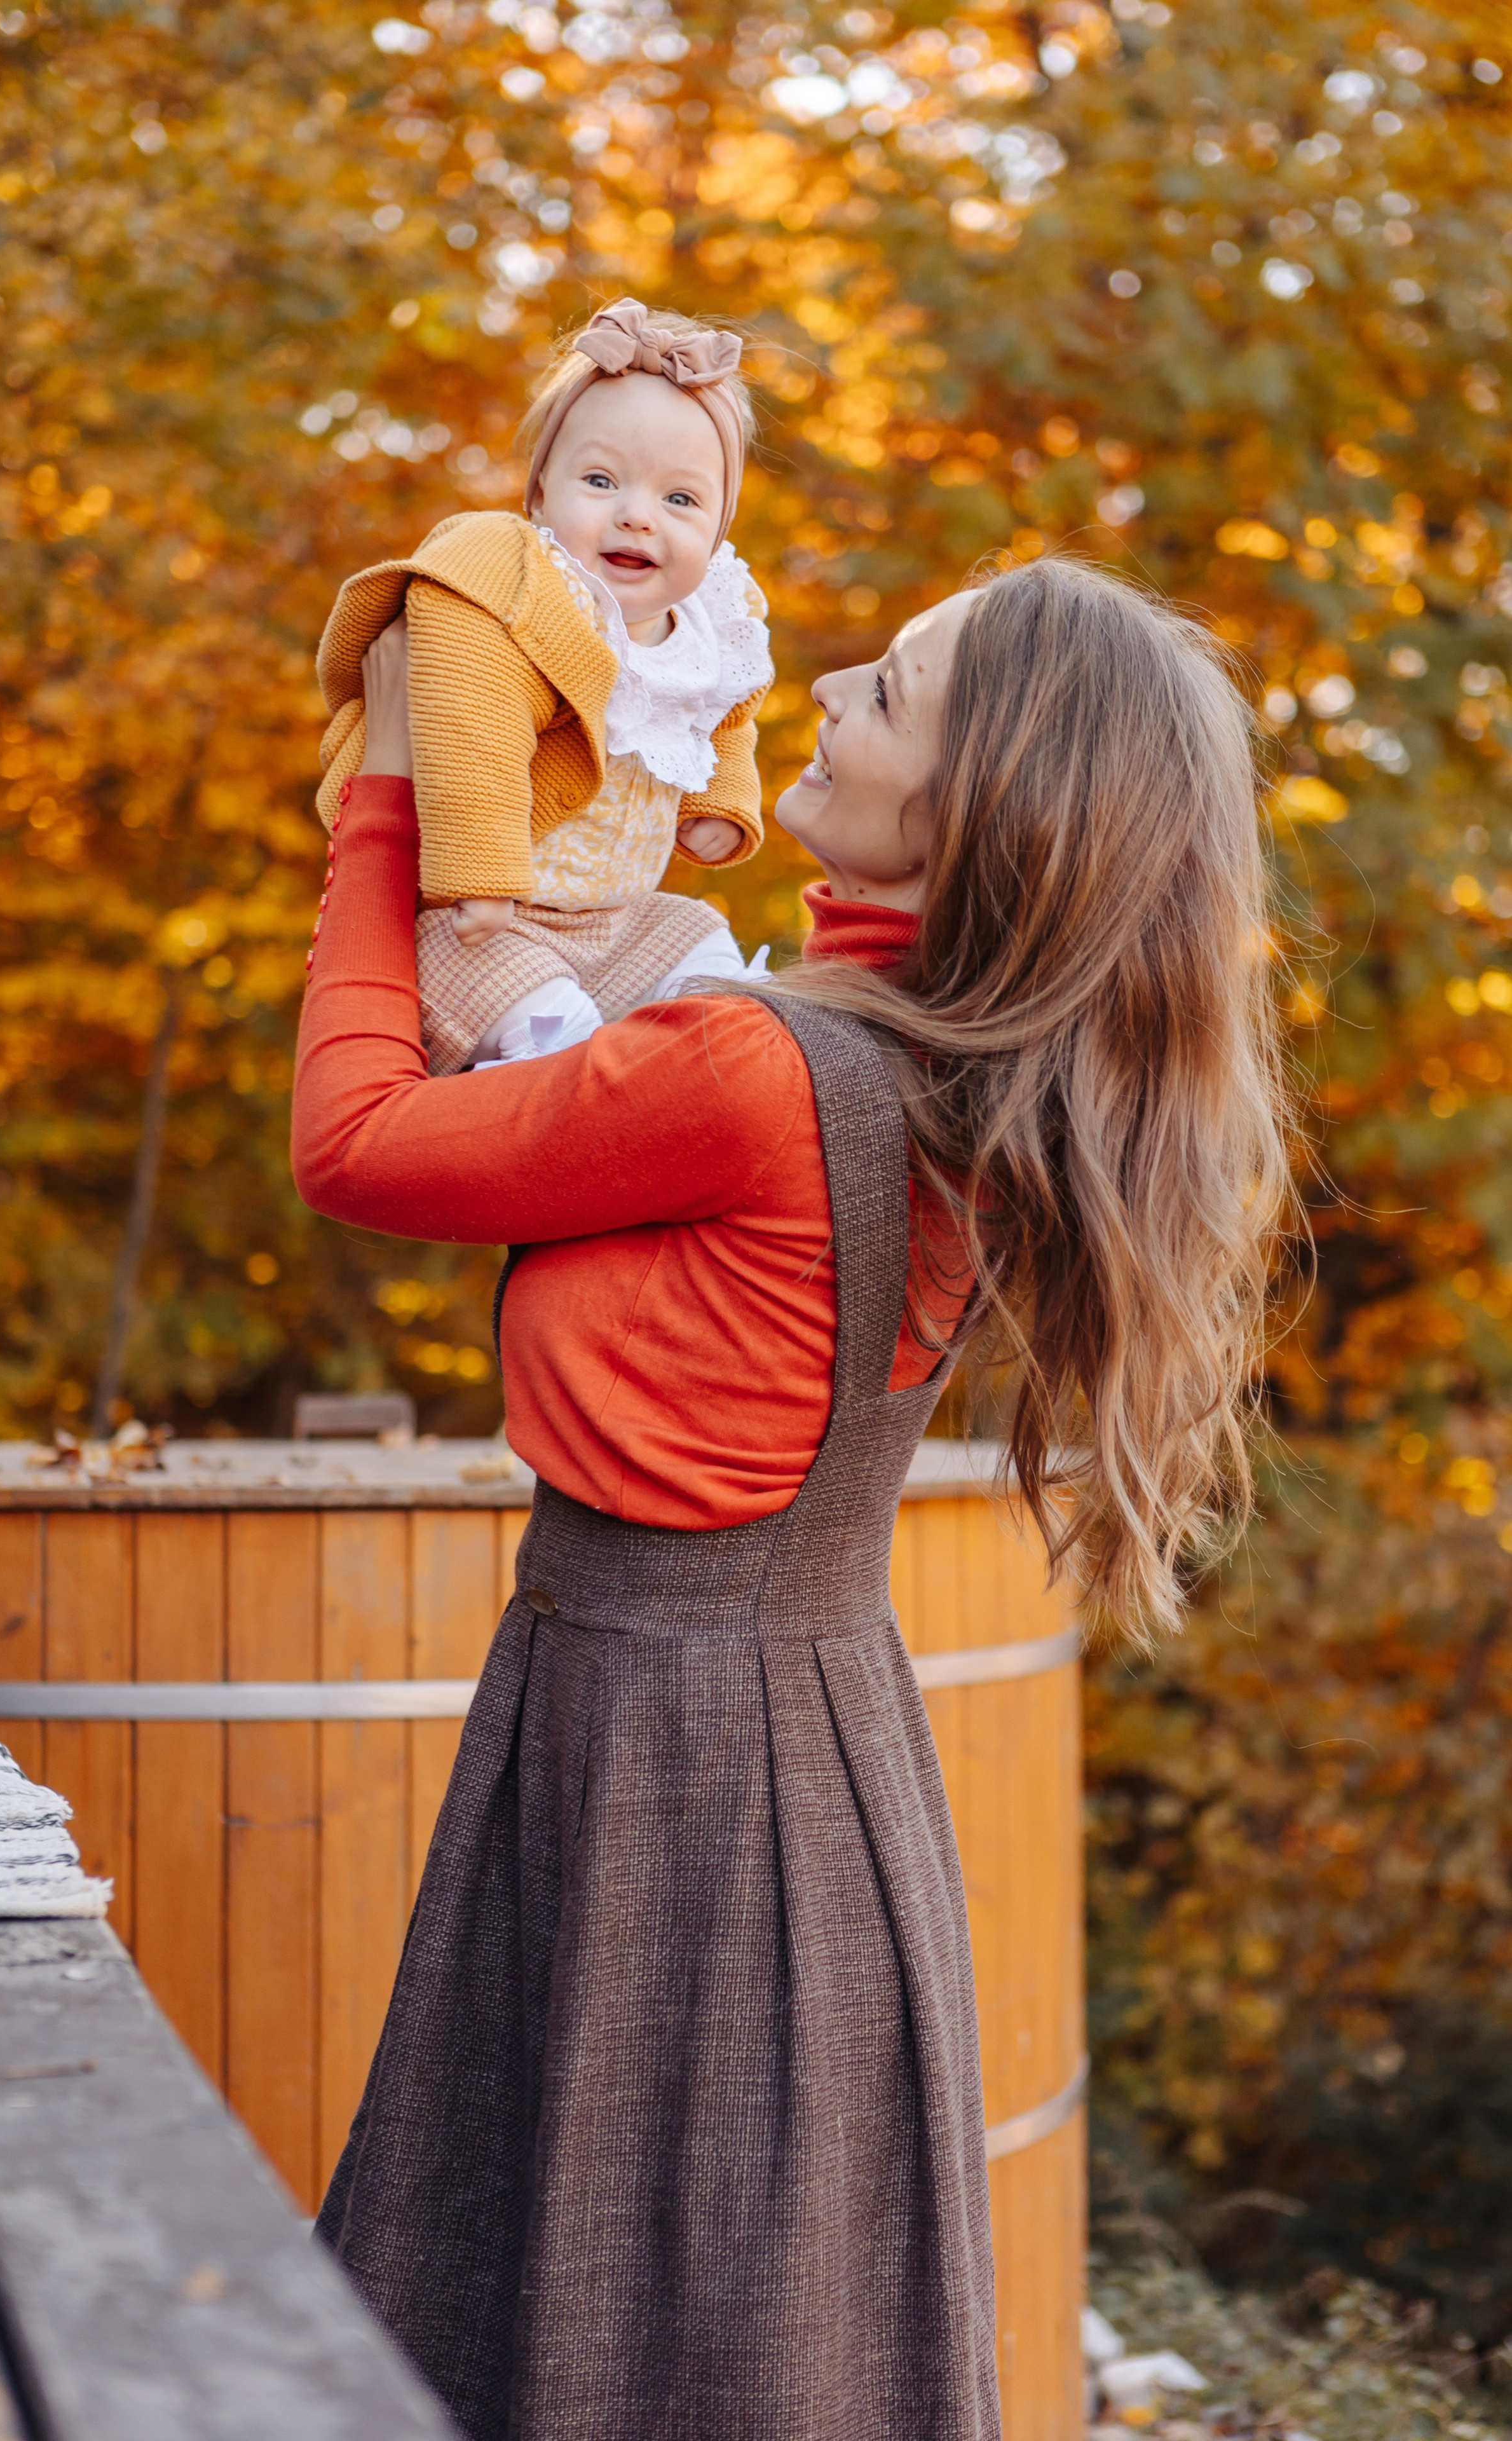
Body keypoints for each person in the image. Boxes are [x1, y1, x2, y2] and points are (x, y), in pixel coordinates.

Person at [290, 552, 1290, 2440]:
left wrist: (397, 796)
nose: (830, 683)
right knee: (733, 2333)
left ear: (979, 805)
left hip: (661, 1751)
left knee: (599, 2321)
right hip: (804, 1754)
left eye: (893, 691)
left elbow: (353, 1140)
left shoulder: (757, 1068)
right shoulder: (957, 1077)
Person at [312, 297, 773, 1073]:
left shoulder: (711, 619)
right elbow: (471, 730)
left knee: (700, 939)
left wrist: (721, 799)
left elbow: (729, 714)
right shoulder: (520, 592)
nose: (637, 517)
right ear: (537, 497)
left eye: (681, 499)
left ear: (721, 526)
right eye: (600, 480)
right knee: (521, 999)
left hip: (616, 922)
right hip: (492, 916)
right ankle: (565, 1080)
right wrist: (479, 872)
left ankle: (720, 1063)